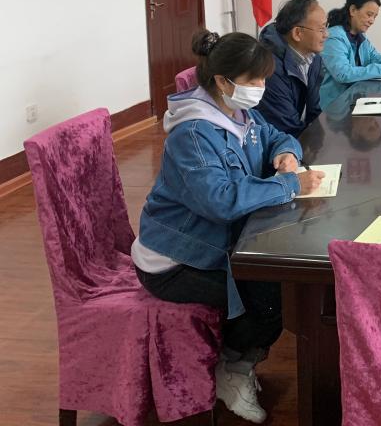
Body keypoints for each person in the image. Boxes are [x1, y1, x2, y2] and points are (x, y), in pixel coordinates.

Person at [132, 30, 324, 424]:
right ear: (222, 81)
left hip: (222, 241)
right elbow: (220, 201)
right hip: (177, 259)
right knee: (269, 300)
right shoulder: (193, 133)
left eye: (264, 79)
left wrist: (286, 154)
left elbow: (275, 136)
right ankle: (232, 369)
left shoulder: (238, 113)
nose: (261, 89)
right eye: (254, 80)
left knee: (274, 290)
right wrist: (290, 184)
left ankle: (236, 362)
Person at [255, 0, 326, 137]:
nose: (326, 34)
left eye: (326, 26)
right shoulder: (269, 67)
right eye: (321, 29)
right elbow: (286, 127)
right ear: (297, 33)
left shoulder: (313, 58)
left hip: (297, 136)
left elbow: (314, 111)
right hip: (275, 143)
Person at [320, 0, 381, 108]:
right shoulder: (334, 37)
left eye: (375, 17)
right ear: (353, 10)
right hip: (335, 107)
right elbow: (343, 74)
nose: (372, 21)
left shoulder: (360, 36)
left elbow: (373, 57)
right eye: (369, 15)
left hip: (355, 100)